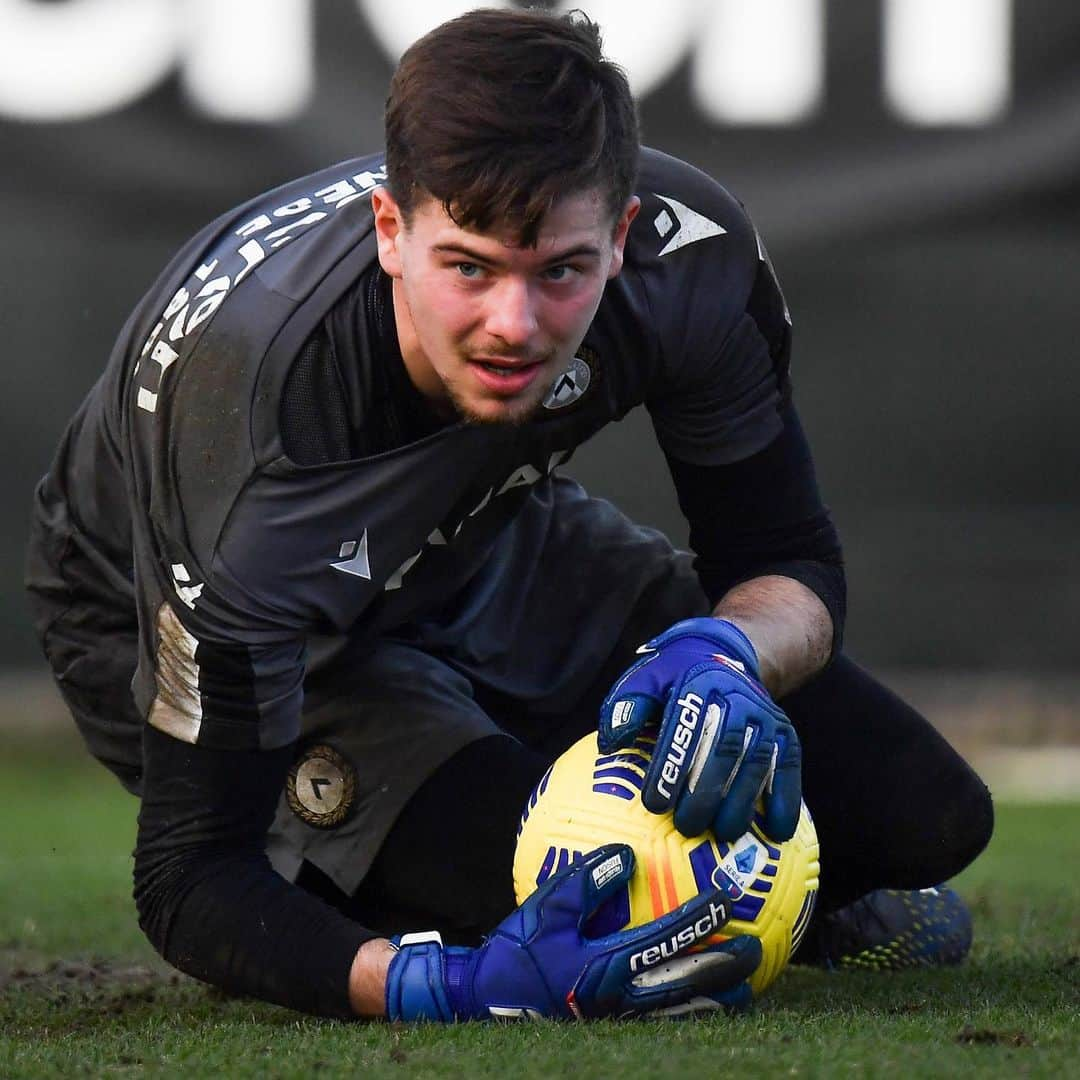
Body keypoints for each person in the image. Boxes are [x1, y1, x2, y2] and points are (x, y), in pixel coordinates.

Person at [25, 9, 992, 1021]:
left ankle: (772, 901)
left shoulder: (688, 258)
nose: (514, 327)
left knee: (926, 818)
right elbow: (190, 880)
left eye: (561, 271)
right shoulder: (259, 440)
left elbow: (786, 555)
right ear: (391, 232)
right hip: (206, 617)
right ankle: (400, 879)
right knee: (556, 898)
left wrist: (730, 652)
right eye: (471, 268)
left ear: (620, 237)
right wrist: (438, 984)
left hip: (482, 535)